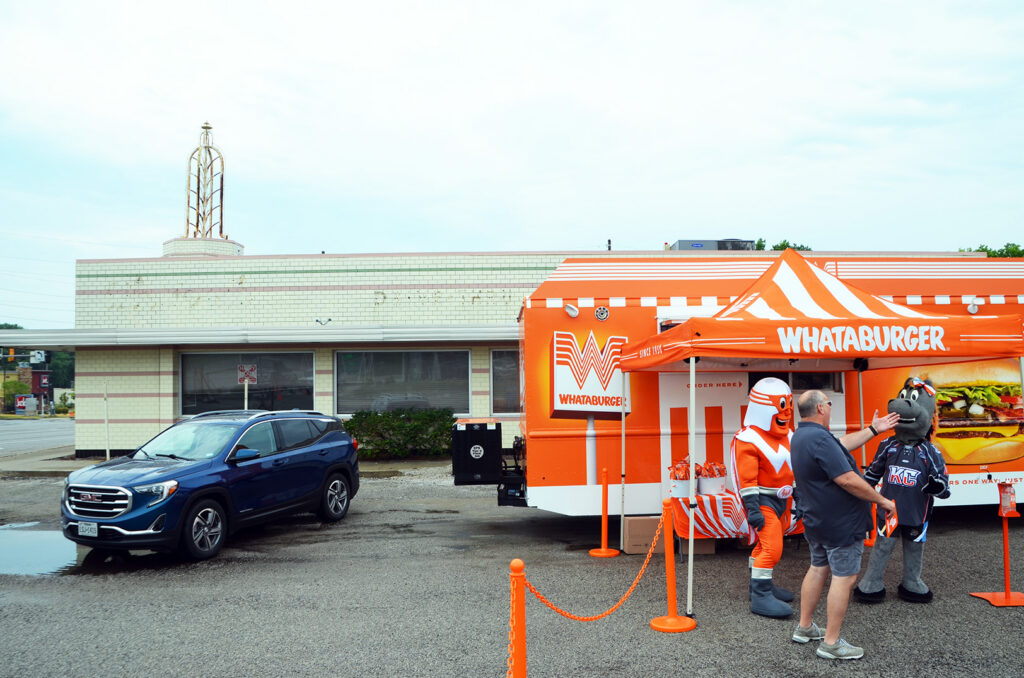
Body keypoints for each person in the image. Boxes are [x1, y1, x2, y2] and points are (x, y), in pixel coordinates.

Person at [790, 390, 897, 661]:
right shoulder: (819, 439)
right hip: (840, 522)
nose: (830, 406)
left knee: (818, 568)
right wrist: (882, 500)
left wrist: (873, 429)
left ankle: (804, 628)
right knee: (845, 577)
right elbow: (847, 479)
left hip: (817, 519)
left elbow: (840, 446)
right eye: (829, 402)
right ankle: (831, 643)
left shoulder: (802, 436)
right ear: (821, 409)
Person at [854, 377, 950, 604]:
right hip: (890, 511)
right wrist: (859, 489)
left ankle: (912, 582)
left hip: (918, 512)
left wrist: (938, 486)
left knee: (915, 549)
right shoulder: (888, 445)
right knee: (882, 547)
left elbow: (944, 485)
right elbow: (873, 473)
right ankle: (872, 583)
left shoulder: (930, 452)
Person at [730, 377, 798, 618]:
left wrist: (796, 499)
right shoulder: (747, 438)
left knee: (766, 545)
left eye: (789, 403)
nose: (788, 410)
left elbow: (794, 470)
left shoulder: (789, 436)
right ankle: (760, 596)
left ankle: (761, 586)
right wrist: (752, 508)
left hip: (783, 500)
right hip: (763, 501)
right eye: (782, 404)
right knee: (773, 548)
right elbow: (746, 480)